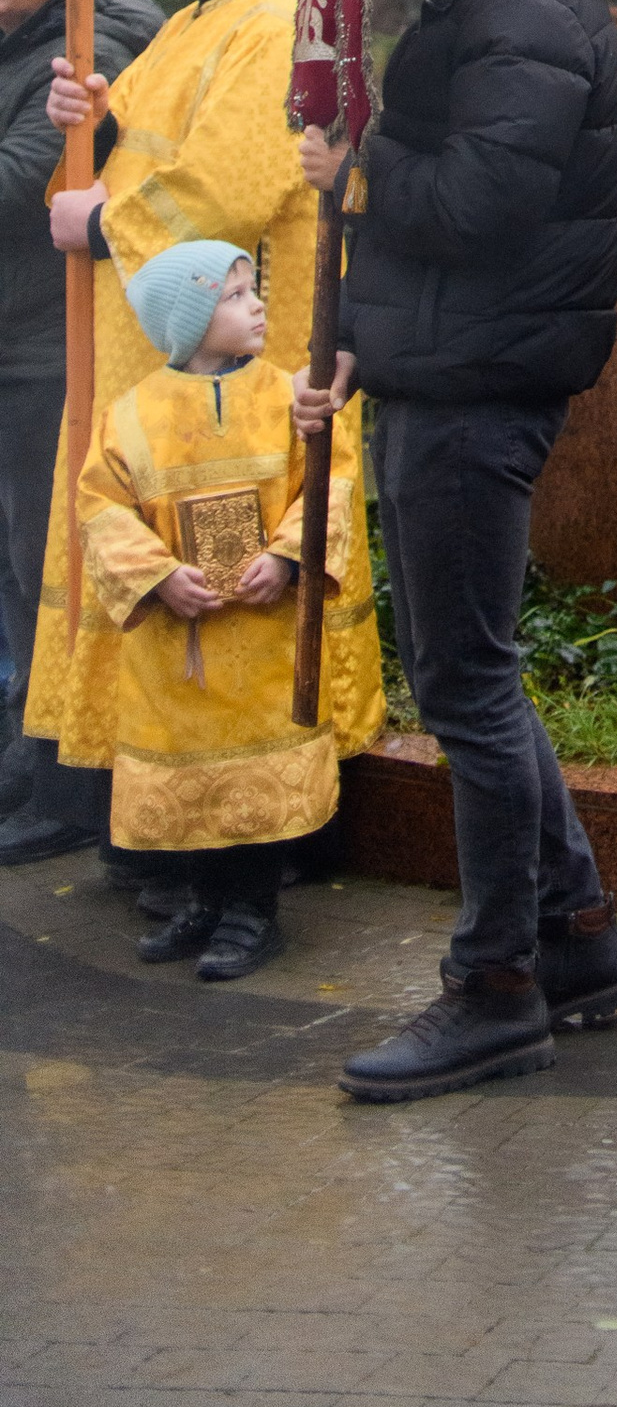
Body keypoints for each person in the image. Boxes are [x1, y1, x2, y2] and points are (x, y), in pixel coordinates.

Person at [293, 0, 617, 1102]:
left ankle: (496, 986)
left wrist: (362, 169)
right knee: (477, 679)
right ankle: (580, 941)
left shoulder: (532, 4)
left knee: (468, 690)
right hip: (454, 367)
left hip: (481, 385)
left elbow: (481, 209)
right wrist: (353, 336)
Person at [5, 0, 384, 873]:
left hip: (231, 361)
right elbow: (132, 159)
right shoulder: (185, 25)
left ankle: (242, 849)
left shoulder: (270, 28)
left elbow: (228, 186)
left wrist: (97, 219)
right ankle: (111, 793)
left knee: (225, 591)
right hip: (143, 356)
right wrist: (87, 125)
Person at [78, 239, 355, 979]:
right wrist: (158, 576)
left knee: (254, 779)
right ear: (187, 319)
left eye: (251, 288)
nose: (257, 303)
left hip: (264, 639)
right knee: (193, 777)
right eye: (233, 295)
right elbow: (101, 508)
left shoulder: (289, 399)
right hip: (179, 644)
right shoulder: (133, 415)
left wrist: (290, 555)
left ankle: (253, 910)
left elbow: (328, 479)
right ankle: (202, 902)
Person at [0, 0, 159, 834]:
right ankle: (25, 750)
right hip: (10, 335)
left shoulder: (91, 49)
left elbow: (25, 178)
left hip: (44, 352)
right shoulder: (16, 42)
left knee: (39, 563)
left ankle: (62, 776)